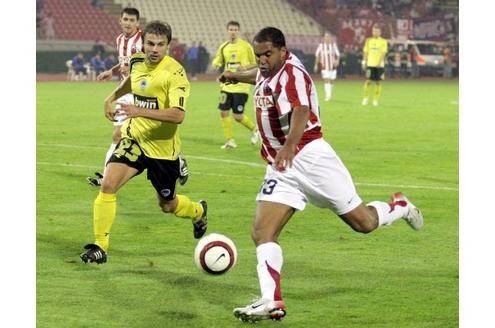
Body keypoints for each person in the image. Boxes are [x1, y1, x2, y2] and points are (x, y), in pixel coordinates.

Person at [218, 26, 423, 322]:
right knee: (262, 232)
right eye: (258, 55)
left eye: (267, 54)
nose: (261, 60)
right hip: (282, 167)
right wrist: (237, 75)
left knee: (363, 223)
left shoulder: (293, 74)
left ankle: (399, 207)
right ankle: (271, 300)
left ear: (283, 51)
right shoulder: (268, 69)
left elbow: (300, 110)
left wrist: (289, 146)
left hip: (311, 158)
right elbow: (259, 76)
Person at [80, 20, 208, 265]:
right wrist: (111, 97)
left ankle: (198, 211)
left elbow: (178, 115)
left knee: (167, 205)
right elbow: (131, 80)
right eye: (150, 43)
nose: (154, 49)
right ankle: (100, 246)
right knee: (107, 185)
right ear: (143, 43)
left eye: (161, 45)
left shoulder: (175, 74)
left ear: (168, 46)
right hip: (134, 139)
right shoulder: (137, 61)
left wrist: (140, 110)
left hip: (162, 150)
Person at [86, 7, 189, 187]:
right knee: (118, 135)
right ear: (120, 21)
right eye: (125, 19)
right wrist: (113, 71)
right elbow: (129, 62)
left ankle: (174, 159)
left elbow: (152, 60)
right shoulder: (120, 40)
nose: (127, 23)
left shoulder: (144, 41)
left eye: (131, 20)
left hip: (145, 91)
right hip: (130, 89)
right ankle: (108, 177)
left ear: (137, 23)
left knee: (121, 134)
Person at [211, 21, 259, 149]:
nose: (233, 32)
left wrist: (244, 68)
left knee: (237, 116)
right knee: (223, 112)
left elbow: (256, 63)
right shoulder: (223, 47)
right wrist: (215, 64)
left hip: (241, 85)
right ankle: (230, 140)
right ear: (227, 31)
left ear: (238, 31)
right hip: (226, 85)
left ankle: (254, 129)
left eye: (235, 29)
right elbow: (218, 60)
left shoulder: (246, 46)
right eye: (231, 29)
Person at [361, 24, 388, 106]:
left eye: (377, 31)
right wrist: (364, 62)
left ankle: (375, 100)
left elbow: (383, 53)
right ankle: (365, 98)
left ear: (380, 32)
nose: (375, 32)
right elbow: (365, 52)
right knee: (368, 81)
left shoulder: (383, 41)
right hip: (370, 64)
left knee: (378, 82)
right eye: (374, 31)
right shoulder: (368, 41)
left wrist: (379, 63)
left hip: (379, 66)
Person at [313, 32, 340, 101]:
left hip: (333, 66)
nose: (327, 38)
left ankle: (329, 95)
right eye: (326, 37)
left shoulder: (333, 45)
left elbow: (338, 55)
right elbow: (317, 56)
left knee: (331, 81)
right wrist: (316, 65)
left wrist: (337, 61)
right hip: (324, 66)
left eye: (328, 37)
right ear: (324, 38)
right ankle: (328, 96)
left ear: (330, 38)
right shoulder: (321, 46)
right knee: (327, 80)